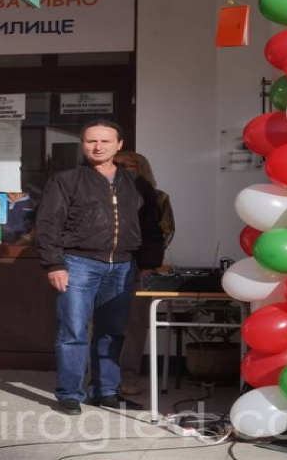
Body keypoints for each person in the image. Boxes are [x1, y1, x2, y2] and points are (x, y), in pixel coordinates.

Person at [35, 120, 164, 415]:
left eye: (105, 141)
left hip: (122, 265)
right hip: (77, 263)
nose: (98, 147)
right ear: (83, 144)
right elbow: (48, 223)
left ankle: (105, 391)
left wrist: (147, 264)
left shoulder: (136, 183)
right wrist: (54, 263)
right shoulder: (67, 180)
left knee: (113, 331)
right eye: (91, 141)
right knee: (73, 330)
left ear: (119, 145)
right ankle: (70, 393)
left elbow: (151, 226)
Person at [114, 151, 175, 395]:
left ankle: (127, 378)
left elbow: (165, 232)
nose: (120, 169)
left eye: (126, 165)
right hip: (104, 265)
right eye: (116, 165)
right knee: (101, 324)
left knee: (135, 326)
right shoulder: (102, 193)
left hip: (140, 266)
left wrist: (148, 261)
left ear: (141, 169)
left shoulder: (158, 197)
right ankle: (100, 379)